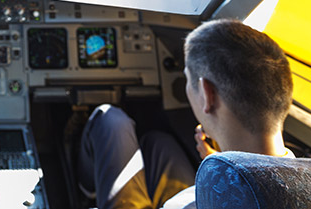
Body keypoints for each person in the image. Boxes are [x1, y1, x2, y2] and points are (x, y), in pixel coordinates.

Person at [77, 19, 294, 209]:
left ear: (207, 95)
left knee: (109, 119)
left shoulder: (187, 204)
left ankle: (84, 188)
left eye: (187, 79)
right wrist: (221, 165)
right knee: (158, 142)